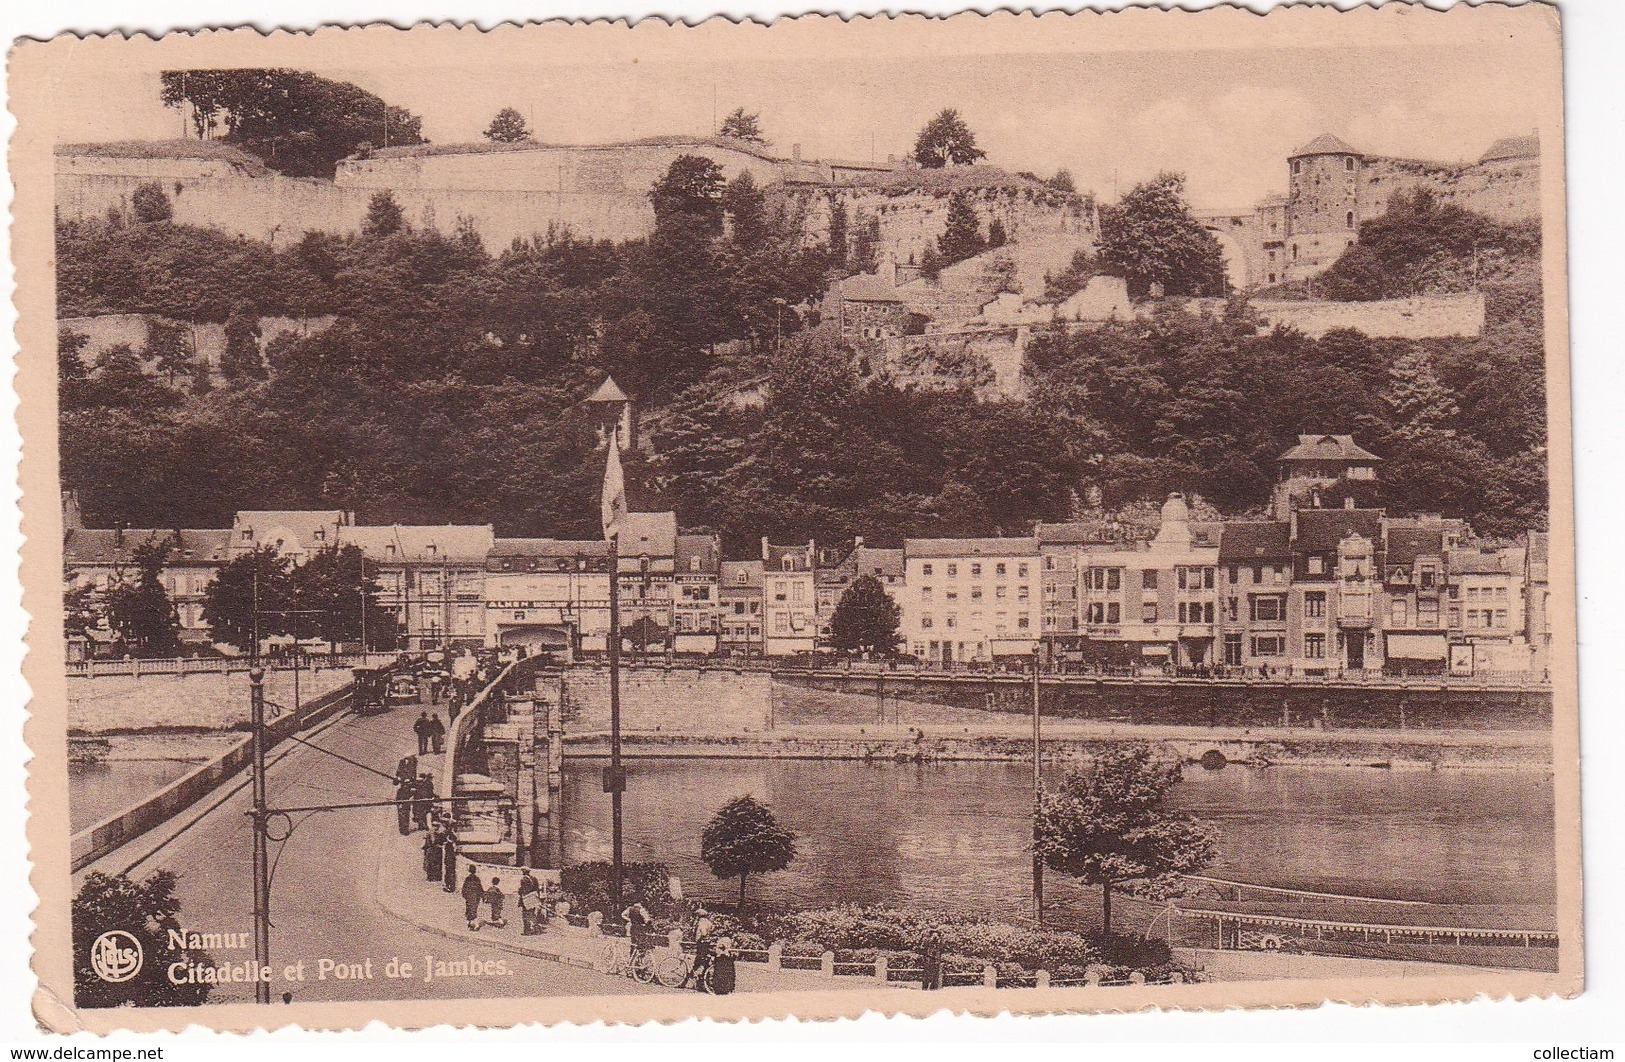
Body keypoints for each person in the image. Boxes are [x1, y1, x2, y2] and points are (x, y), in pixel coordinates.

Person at [682, 907, 715, 990]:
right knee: (704, 963)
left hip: (702, 945)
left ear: (699, 916)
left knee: (697, 963)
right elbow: (711, 930)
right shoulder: (709, 922)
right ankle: (700, 981)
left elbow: (703, 933)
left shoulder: (701, 923)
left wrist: (699, 939)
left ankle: (686, 981)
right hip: (707, 944)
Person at [517, 870, 541, 935]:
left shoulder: (524, 879)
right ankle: (536, 929)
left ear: (523, 872)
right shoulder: (534, 878)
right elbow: (537, 888)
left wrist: (519, 891)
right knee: (532, 914)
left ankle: (527, 931)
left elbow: (524, 890)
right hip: (534, 898)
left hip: (527, 899)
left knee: (525, 915)